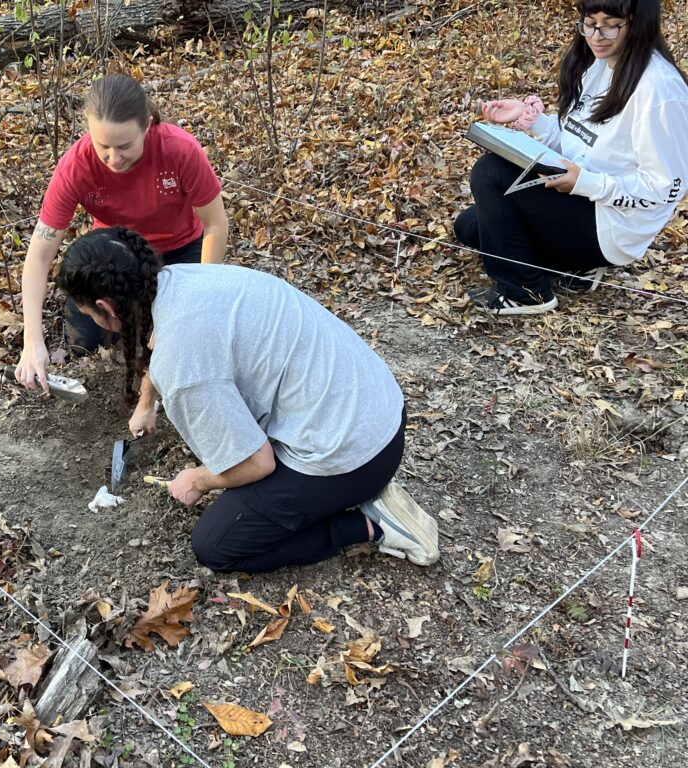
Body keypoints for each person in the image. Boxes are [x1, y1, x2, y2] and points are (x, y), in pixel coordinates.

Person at [55, 226, 439, 573]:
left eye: (89, 313)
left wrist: (200, 479)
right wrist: (146, 400)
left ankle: (370, 526)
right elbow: (172, 347)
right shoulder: (179, 280)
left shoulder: (183, 365)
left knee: (218, 544)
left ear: (105, 308)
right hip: (381, 407)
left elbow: (257, 464)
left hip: (352, 454)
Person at [454, 0, 688, 315]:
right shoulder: (599, 63)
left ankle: (526, 293)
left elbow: (666, 188)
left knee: (490, 172)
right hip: (584, 198)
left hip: (611, 224)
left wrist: (586, 183)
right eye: (589, 22)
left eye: (610, 24)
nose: (597, 36)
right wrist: (530, 119)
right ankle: (576, 266)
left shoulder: (659, 91)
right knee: (469, 227)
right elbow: (580, 140)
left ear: (638, 23)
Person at [15, 74, 229, 391]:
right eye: (104, 146)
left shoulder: (179, 150)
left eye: (126, 146)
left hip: (179, 249)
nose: (114, 159)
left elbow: (215, 224)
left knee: (178, 336)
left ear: (146, 127)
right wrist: (32, 340)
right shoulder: (76, 166)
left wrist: (199, 296)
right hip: (115, 253)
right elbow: (40, 253)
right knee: (85, 342)